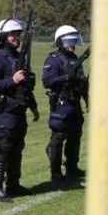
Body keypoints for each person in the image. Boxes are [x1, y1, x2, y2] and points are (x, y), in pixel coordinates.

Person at [0, 18, 40, 203]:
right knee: (3, 147)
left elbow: (25, 87)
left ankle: (13, 185)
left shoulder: (18, 58)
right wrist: (12, 80)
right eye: (13, 34)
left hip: (19, 110)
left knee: (17, 148)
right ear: (3, 36)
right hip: (5, 111)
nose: (17, 37)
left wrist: (33, 107)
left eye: (18, 34)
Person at [41, 25, 88, 182]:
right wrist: (66, 78)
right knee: (59, 136)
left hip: (75, 103)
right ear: (60, 42)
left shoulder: (75, 59)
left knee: (75, 135)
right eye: (68, 41)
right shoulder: (54, 59)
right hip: (61, 103)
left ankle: (72, 167)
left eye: (74, 41)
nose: (72, 44)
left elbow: (81, 81)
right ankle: (55, 171)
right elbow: (47, 81)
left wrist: (87, 99)